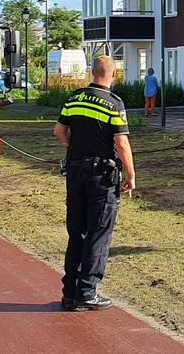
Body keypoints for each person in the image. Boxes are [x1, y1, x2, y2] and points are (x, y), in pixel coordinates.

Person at [53, 55, 136, 312]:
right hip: (100, 177)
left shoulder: (74, 98)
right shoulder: (114, 103)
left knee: (76, 232)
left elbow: (59, 131)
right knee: (98, 234)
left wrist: (77, 148)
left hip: (75, 172)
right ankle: (87, 293)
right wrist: (131, 176)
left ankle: (70, 293)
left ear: (92, 72)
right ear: (114, 75)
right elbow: (121, 143)